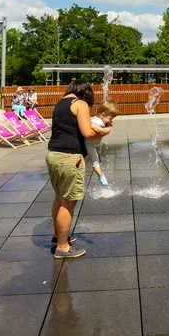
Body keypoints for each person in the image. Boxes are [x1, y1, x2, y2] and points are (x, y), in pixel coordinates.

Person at [46, 79, 111, 259]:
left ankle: (58, 236)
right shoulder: (80, 103)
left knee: (59, 197)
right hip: (69, 158)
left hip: (53, 155)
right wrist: (105, 131)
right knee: (69, 202)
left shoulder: (61, 103)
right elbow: (88, 133)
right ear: (86, 93)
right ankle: (62, 247)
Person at [86, 99, 118, 187]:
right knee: (95, 162)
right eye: (110, 119)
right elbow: (92, 126)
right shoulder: (96, 121)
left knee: (99, 149)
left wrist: (108, 124)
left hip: (96, 143)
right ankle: (101, 175)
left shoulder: (101, 120)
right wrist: (103, 130)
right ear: (103, 115)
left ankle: (99, 154)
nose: (110, 121)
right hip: (90, 146)